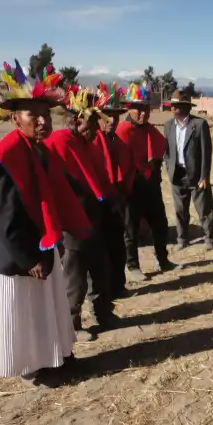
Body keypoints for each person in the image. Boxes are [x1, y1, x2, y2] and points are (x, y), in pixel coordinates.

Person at [0, 60, 89, 386]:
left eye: (47, 115)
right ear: (14, 119)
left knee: (41, 309)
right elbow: (3, 216)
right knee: (19, 315)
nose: (43, 121)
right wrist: (29, 257)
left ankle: (53, 358)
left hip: (38, 245)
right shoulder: (6, 157)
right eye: (34, 115)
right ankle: (30, 368)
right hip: (15, 255)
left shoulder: (37, 149)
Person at [46, 88, 119, 342]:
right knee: (74, 278)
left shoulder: (84, 143)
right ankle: (73, 324)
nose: (96, 131)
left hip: (93, 218)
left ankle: (103, 314)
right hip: (73, 224)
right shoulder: (59, 142)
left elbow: (97, 178)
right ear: (77, 121)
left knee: (100, 270)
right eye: (91, 125)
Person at [116, 82, 176, 281]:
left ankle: (163, 260)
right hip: (131, 189)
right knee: (130, 230)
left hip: (150, 187)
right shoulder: (122, 131)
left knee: (160, 223)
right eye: (139, 110)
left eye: (146, 110)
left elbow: (159, 148)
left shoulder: (150, 130)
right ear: (129, 109)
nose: (144, 114)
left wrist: (153, 166)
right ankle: (133, 266)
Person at [92, 82, 136, 299]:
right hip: (97, 205)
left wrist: (123, 193)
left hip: (117, 202)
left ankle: (118, 286)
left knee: (118, 248)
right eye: (106, 116)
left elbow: (127, 169)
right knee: (100, 253)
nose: (112, 121)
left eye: (116, 117)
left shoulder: (118, 142)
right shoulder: (90, 144)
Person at [162, 88, 213, 250]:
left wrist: (204, 176)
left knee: (204, 208)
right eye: (172, 105)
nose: (173, 108)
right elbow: (166, 151)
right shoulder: (168, 126)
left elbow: (206, 152)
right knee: (180, 210)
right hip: (177, 173)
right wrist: (169, 167)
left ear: (187, 107)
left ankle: (211, 238)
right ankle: (182, 239)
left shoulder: (199, 125)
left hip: (195, 174)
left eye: (177, 105)